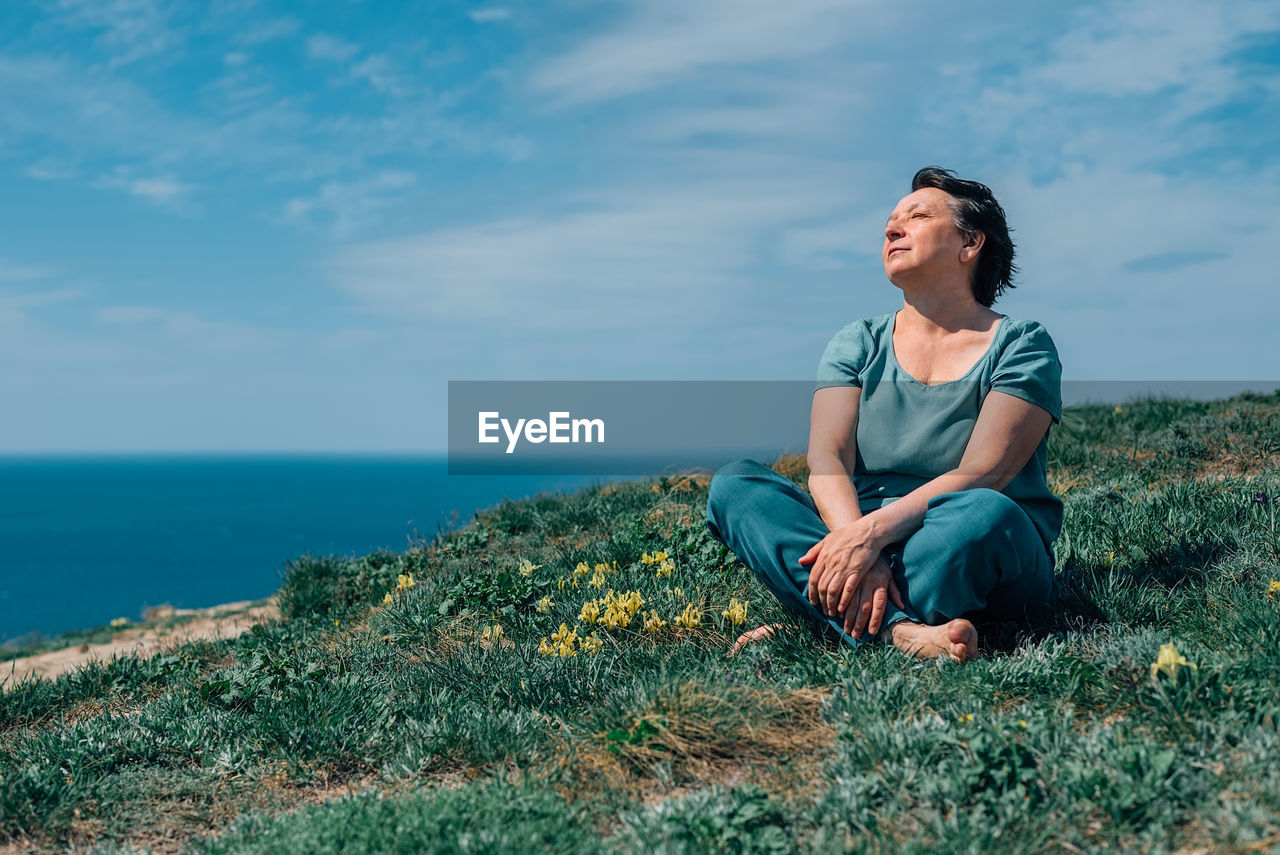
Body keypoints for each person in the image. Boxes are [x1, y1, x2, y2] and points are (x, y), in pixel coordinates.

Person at [705, 166, 1062, 663]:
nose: (893, 230)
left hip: (968, 543)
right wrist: (856, 541)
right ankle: (903, 633)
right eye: (890, 223)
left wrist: (870, 539)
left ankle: (826, 617)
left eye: (916, 216)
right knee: (735, 486)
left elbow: (984, 472)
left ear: (970, 243)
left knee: (986, 513)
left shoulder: (1023, 345)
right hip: (857, 530)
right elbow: (827, 458)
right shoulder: (858, 341)